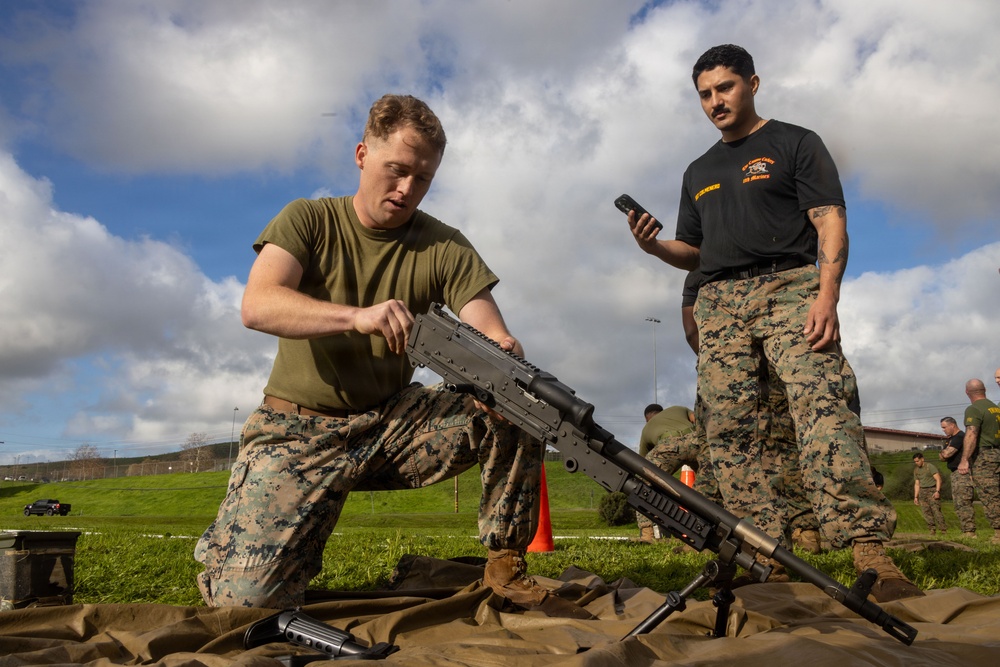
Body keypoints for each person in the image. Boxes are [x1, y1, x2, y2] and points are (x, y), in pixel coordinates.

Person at [193, 94, 576, 616]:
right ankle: (233, 544)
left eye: (422, 179)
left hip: (391, 426)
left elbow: (488, 323)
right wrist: (356, 316)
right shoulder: (307, 219)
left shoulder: (444, 245)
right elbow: (258, 304)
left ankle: (504, 562)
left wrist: (503, 350)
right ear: (361, 155)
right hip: (297, 433)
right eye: (396, 170)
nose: (406, 189)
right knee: (244, 606)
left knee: (516, 399)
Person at [625, 44, 921, 601]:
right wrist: (655, 247)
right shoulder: (698, 170)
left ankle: (868, 550)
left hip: (791, 288)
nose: (716, 101)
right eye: (705, 94)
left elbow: (830, 219)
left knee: (823, 407)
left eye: (725, 88)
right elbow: (693, 249)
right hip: (721, 304)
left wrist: (827, 294)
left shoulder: (795, 143)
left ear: (752, 84)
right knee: (729, 432)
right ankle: (763, 552)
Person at [958, 379, 1000, 545]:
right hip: (998, 453)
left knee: (990, 495)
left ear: (967, 393)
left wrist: (964, 460)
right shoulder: (996, 408)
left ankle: (998, 534)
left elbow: (971, 434)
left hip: (985, 457)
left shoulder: (973, 409)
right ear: (985, 390)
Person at [939, 416, 976, 537]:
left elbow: (947, 453)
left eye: (944, 427)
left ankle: (970, 531)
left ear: (952, 425)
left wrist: (944, 454)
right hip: (955, 473)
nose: (943, 430)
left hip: (962, 473)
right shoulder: (950, 439)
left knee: (964, 502)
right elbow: (942, 457)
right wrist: (944, 454)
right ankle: (965, 530)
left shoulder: (959, 437)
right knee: (958, 503)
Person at [912, 453, 946, 536]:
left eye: (918, 461)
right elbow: (917, 484)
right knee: (926, 512)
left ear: (922, 459)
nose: (917, 463)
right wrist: (916, 496)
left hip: (932, 490)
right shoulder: (916, 470)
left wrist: (937, 491)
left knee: (936, 511)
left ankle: (943, 530)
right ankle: (932, 529)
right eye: (915, 461)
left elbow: (938, 479)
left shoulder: (929, 467)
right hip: (922, 492)